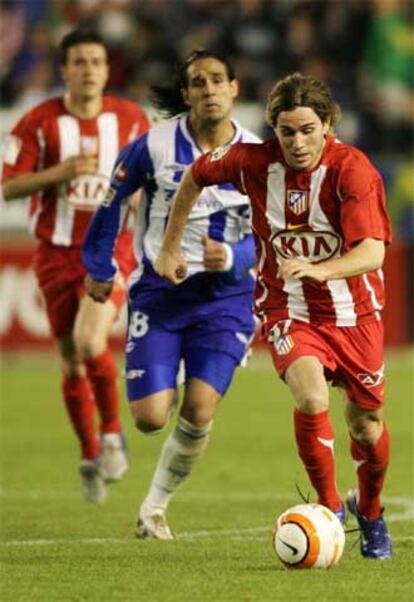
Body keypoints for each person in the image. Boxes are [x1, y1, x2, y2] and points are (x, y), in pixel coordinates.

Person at [154, 72, 393, 560]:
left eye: (308, 130)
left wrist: (320, 268)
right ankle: (329, 509)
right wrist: (170, 244)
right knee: (310, 397)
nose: (298, 142)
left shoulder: (353, 170)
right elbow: (197, 175)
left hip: (356, 313)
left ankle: (370, 511)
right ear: (274, 130)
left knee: (367, 426)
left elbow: (372, 252)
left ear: (327, 124)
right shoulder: (252, 163)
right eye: (287, 132)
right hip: (289, 308)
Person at [83, 49, 260, 539]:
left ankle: (153, 509)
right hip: (161, 295)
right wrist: (98, 266)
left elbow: (270, 233)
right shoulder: (154, 146)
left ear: (234, 88)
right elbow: (111, 205)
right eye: (198, 83)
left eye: (217, 80)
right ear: (186, 95)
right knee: (149, 418)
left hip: (225, 299)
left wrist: (233, 257)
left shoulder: (257, 154)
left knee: (200, 408)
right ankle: (170, 369)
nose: (209, 90)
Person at [1, 29, 150, 504]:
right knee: (70, 358)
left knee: (90, 340)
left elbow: (151, 177)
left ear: (108, 71)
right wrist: (60, 173)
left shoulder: (130, 121)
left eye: (96, 61)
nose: (88, 70)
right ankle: (90, 454)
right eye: (79, 62)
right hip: (55, 252)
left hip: (109, 249)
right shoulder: (37, 123)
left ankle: (111, 435)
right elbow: (9, 186)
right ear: (64, 70)